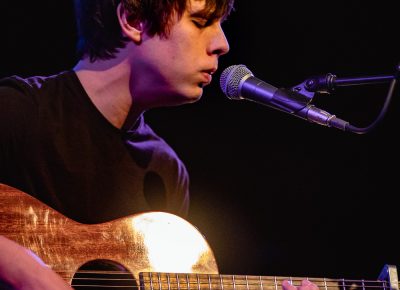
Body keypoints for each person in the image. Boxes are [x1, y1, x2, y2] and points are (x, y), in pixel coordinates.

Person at [0, 0, 321, 289]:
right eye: (200, 22)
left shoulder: (165, 172)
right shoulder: (17, 111)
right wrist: (27, 272)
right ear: (134, 19)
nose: (222, 44)